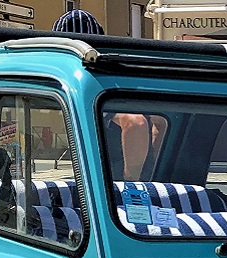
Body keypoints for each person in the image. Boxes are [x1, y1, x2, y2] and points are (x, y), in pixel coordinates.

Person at [52, 9, 158, 180]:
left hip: (114, 184)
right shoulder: (122, 73)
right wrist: (158, 169)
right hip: (143, 179)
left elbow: (136, 123)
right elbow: (160, 123)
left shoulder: (92, 81)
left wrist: (129, 180)